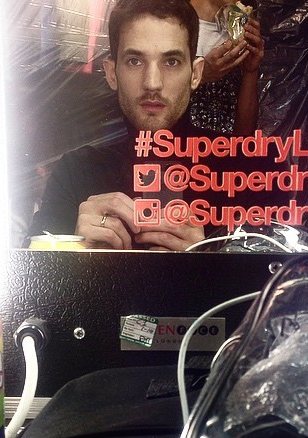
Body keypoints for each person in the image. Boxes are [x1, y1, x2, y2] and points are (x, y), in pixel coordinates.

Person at [25, 0, 289, 251]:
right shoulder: (75, 173)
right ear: (112, 73)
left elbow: (287, 278)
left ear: (195, 73)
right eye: (135, 61)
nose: (152, 83)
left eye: (171, 62)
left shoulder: (255, 173)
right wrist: (73, 250)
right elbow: (26, 277)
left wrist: (208, 257)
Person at [189, 0, 264, 135]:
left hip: (226, 146)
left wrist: (250, 71)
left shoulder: (242, 28)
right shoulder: (170, 22)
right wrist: (200, 77)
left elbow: (244, 134)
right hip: (175, 145)